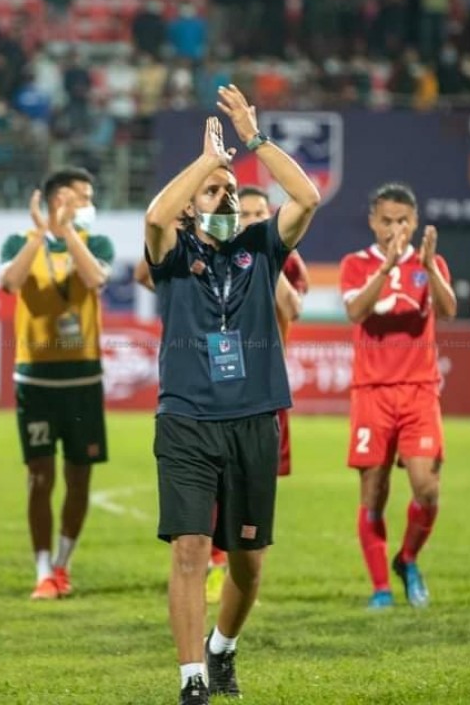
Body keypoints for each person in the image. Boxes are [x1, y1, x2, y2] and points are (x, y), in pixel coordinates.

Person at [145, 85, 320, 705]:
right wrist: (206, 163)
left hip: (253, 420)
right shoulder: (172, 255)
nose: (227, 200)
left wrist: (252, 141)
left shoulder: (260, 249)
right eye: (215, 195)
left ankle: (222, 647)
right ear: (195, 205)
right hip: (187, 419)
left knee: (247, 564)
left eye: (231, 193)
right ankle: (192, 679)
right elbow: (154, 219)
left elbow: (307, 197)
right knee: (191, 548)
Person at [0, 168, 115, 600]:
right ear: (57, 199)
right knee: (40, 477)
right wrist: (40, 233)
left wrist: (67, 232)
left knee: (80, 477)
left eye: (88, 198)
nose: (88, 205)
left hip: (83, 377)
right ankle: (43, 569)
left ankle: (64, 564)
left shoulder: (95, 244)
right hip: (36, 379)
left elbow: (96, 279)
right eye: (81, 197)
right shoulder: (18, 242)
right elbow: (11, 283)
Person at [339, 183, 456, 609]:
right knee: (373, 491)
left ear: (415, 222)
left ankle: (407, 559)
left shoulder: (430, 263)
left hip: (419, 391)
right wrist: (387, 268)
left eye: (403, 221)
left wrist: (429, 266)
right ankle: (381, 589)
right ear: (373, 221)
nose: (394, 229)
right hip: (372, 392)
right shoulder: (356, 264)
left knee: (427, 488)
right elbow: (355, 311)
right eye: (386, 220)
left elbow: (447, 309)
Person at [195, 186, 308, 605]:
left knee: (253, 494)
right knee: (216, 486)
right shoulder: (217, 257)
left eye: (262, 212)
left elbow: (293, 308)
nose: (255, 218)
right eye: (247, 212)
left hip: (265, 393)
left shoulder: (279, 260)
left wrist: (267, 262)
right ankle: (217, 563)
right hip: (221, 391)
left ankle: (240, 569)